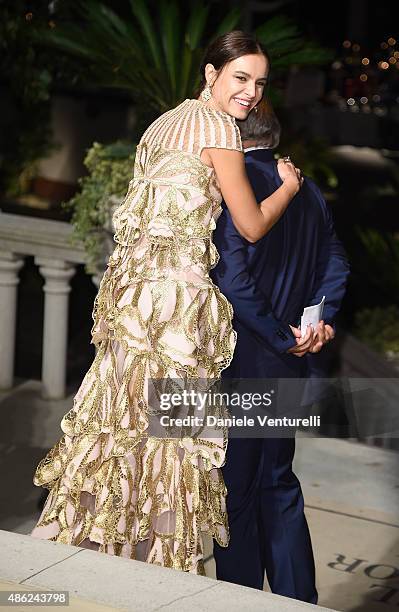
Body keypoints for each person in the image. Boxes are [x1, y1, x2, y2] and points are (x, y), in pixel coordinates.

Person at [30, 31, 304, 574]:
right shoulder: (221, 131)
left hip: (132, 307)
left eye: (259, 83)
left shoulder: (160, 125)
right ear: (211, 74)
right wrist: (288, 188)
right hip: (178, 310)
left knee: (118, 425)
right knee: (171, 438)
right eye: (240, 78)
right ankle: (155, 571)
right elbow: (249, 226)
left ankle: (79, 554)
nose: (250, 93)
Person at [211, 99, 349, 600]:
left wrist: (276, 336)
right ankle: (298, 602)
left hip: (246, 359)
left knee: (236, 493)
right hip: (289, 364)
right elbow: (335, 259)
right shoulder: (306, 188)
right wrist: (319, 321)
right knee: (278, 483)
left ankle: (239, 600)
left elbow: (233, 277)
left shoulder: (234, 185)